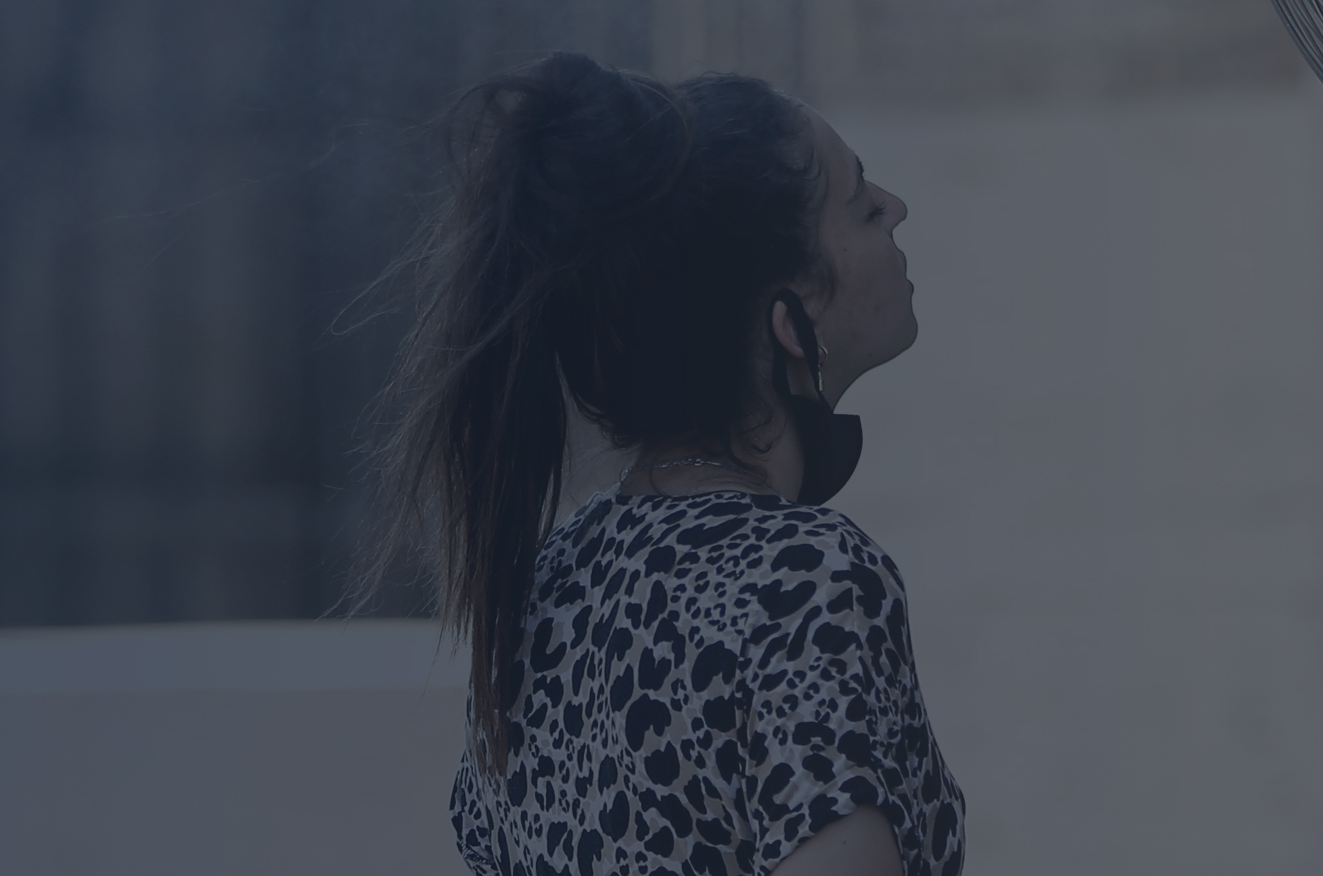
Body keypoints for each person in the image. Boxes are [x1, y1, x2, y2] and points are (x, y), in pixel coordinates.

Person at [374, 51, 963, 876]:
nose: (897, 209)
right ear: (790, 321)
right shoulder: (808, 581)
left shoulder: (544, 588)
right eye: (863, 205)